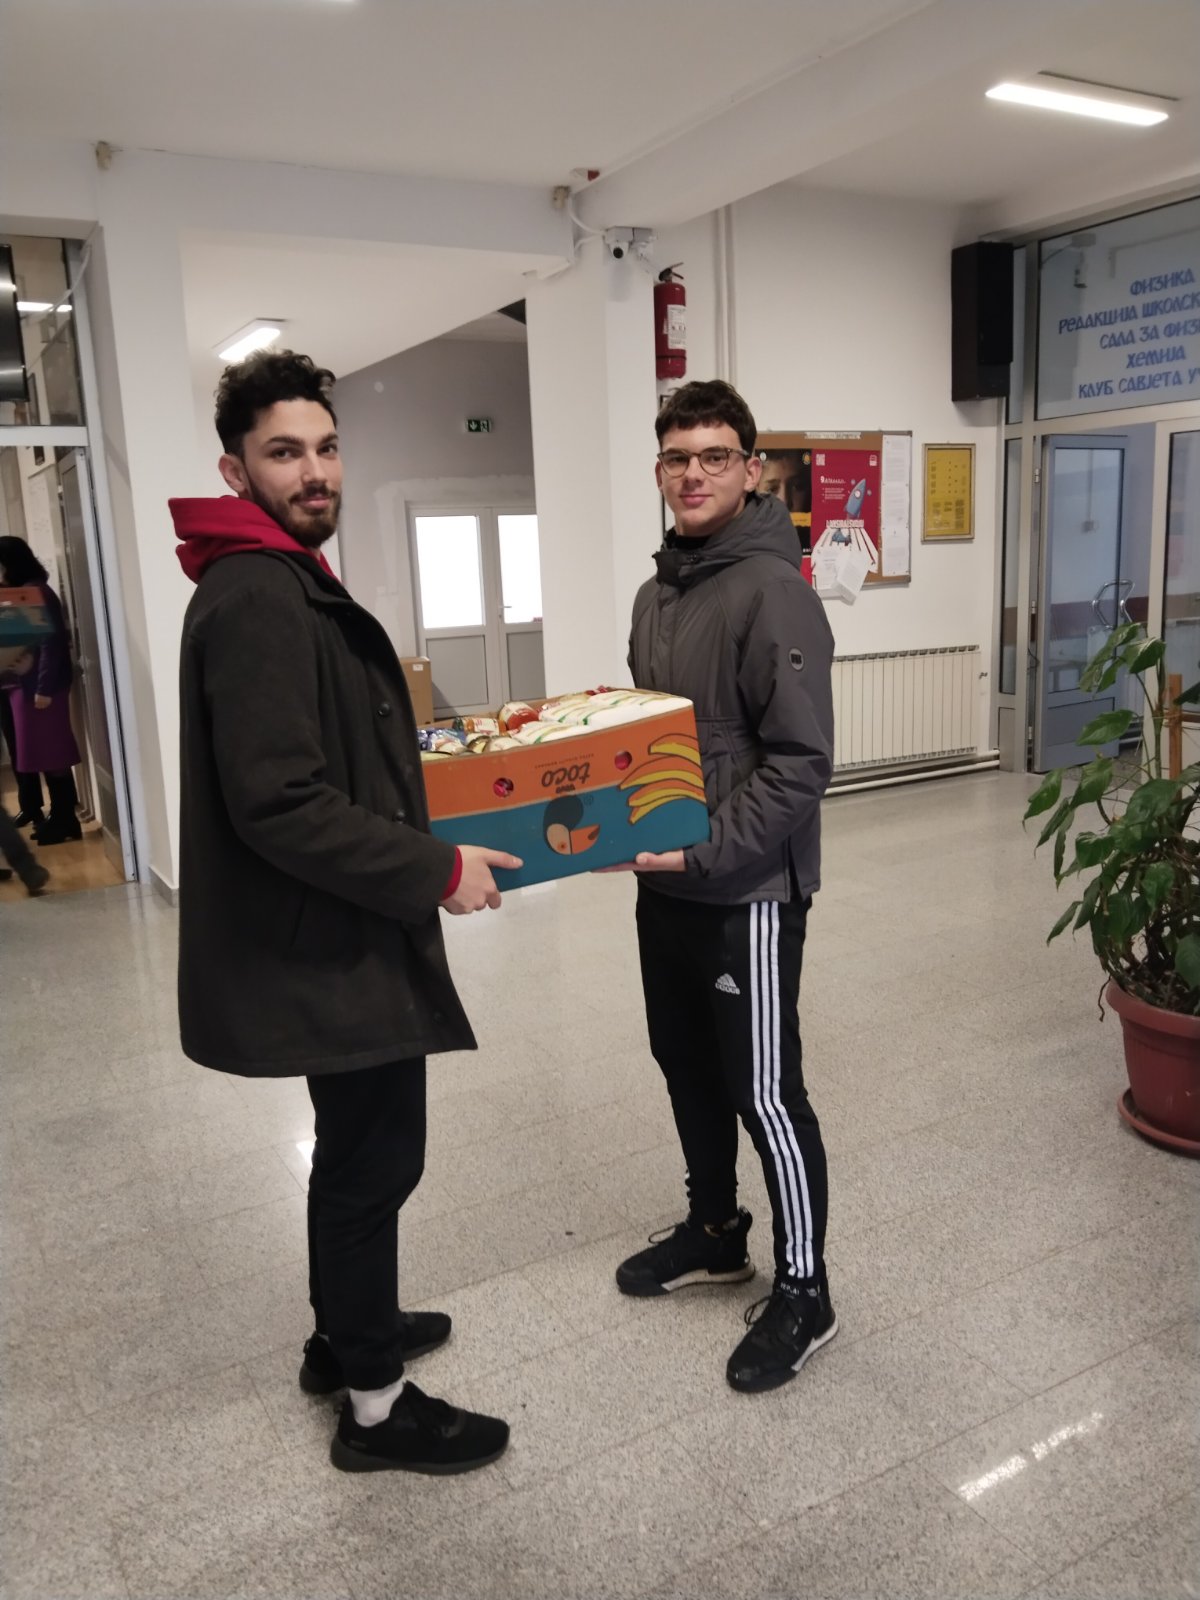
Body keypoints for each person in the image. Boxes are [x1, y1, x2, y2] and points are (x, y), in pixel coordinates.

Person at [174, 349, 518, 1474]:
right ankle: (376, 1409)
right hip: (330, 940)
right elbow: (280, 801)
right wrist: (433, 869)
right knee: (376, 1164)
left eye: (326, 447)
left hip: (331, 926)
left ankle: (341, 1336)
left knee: (356, 1153)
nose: (314, 471)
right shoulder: (258, 595)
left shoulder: (273, 577)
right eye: (284, 452)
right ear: (236, 471)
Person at [615, 378, 837, 1394]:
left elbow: (800, 763)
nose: (693, 473)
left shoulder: (772, 590)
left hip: (743, 891)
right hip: (665, 883)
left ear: (751, 469)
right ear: (659, 470)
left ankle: (805, 1289)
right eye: (677, 457)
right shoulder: (656, 593)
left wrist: (702, 854)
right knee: (684, 1063)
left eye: (715, 456)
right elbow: (650, 743)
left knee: (764, 1092)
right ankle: (715, 1232)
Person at [0, 536, 81, 844]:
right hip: (27, 685)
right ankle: (59, 816)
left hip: (41, 688)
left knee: (53, 752)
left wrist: (43, 687)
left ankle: (65, 819)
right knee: (43, 753)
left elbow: (50, 643)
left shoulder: (36, 591)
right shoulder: (25, 590)